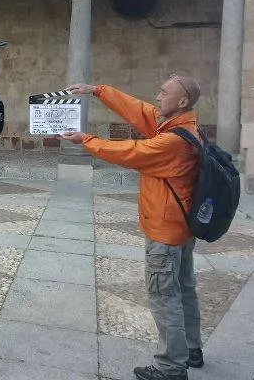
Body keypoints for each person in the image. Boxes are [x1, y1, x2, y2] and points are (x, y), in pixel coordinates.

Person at [61, 76, 204, 380]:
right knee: (185, 290)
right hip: (181, 229)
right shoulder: (181, 127)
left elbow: (130, 153)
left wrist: (86, 140)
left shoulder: (172, 141)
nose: (157, 96)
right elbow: (137, 109)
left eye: (164, 93)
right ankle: (191, 348)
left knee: (165, 297)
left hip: (164, 233)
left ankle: (171, 367)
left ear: (182, 102)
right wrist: (98, 91)